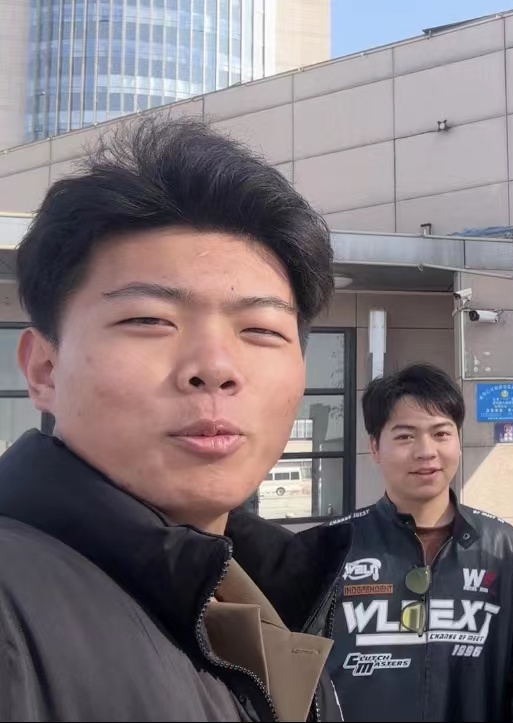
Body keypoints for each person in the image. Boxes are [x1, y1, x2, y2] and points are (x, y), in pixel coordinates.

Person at [0, 117, 349, 720]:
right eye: (149, 320)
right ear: (45, 369)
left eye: (261, 330)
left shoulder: (263, 599)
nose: (214, 367)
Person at [314, 362, 513, 721]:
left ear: (458, 440)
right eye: (405, 436)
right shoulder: (330, 548)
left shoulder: (504, 549)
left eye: (440, 433)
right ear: (374, 447)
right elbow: (295, 675)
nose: (426, 451)